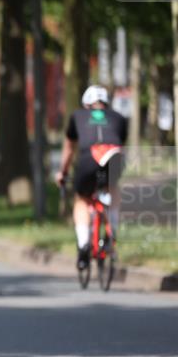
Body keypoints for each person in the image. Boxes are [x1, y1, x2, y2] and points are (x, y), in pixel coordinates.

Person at [55, 85, 127, 271]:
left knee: (81, 198)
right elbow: (121, 143)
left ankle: (84, 244)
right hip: (114, 157)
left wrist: (62, 172)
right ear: (106, 103)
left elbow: (69, 148)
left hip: (89, 159)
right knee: (112, 188)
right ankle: (113, 230)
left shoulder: (77, 115)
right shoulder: (118, 117)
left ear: (86, 105)